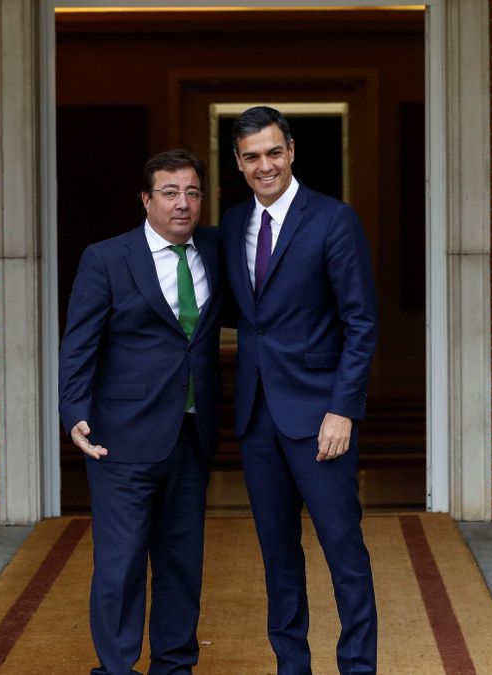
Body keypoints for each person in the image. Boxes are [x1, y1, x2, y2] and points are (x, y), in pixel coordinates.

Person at [220, 106, 378, 674]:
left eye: (274, 152)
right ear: (238, 163)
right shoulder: (234, 222)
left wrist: (343, 409)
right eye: (252, 156)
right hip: (257, 417)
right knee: (277, 556)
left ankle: (357, 666)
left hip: (319, 417)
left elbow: (361, 322)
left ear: (291, 151)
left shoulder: (334, 221)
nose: (265, 165)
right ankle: (292, 666)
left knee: (344, 551)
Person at [59, 149, 222, 675]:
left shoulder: (215, 252)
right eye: (171, 193)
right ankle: (116, 667)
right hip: (122, 439)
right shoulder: (106, 258)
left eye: (193, 192)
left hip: (191, 436)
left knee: (181, 564)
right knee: (121, 565)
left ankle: (174, 665)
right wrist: (73, 410)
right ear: (146, 200)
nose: (183, 203)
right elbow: (79, 344)